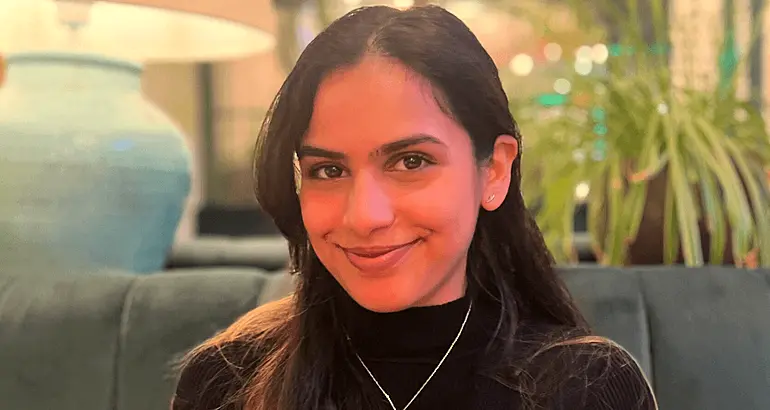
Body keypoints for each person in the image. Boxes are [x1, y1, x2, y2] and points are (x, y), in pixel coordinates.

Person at [172, 5, 657, 410]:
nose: (365, 216)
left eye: (411, 161)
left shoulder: (585, 387)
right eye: (328, 170)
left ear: (493, 171)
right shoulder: (227, 381)